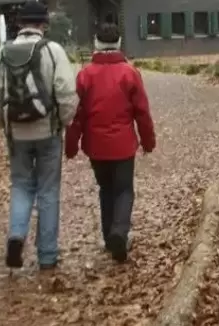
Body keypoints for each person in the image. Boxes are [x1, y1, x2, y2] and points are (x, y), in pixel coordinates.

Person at [0, 1, 78, 271]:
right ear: (43, 25)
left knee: (21, 185)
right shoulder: (53, 51)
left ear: (19, 24)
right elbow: (66, 93)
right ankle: (47, 255)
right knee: (48, 191)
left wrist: (3, 125)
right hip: (47, 131)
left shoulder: (3, 53)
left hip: (17, 134)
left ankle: (16, 234)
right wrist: (62, 122)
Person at [64, 23, 155, 263]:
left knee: (106, 189)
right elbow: (142, 112)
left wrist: (71, 145)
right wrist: (148, 141)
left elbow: (77, 114)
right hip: (123, 145)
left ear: (96, 44)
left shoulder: (85, 75)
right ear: (118, 43)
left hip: (96, 145)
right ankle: (120, 232)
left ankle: (109, 236)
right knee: (124, 190)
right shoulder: (129, 73)